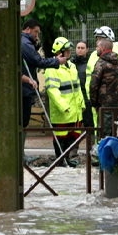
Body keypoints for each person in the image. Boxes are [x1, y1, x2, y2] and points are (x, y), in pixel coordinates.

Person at [21, 19, 66, 155]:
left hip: (26, 87)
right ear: (28, 29)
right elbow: (37, 60)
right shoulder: (24, 42)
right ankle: (19, 154)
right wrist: (56, 61)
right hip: (23, 89)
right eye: (36, 32)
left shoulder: (27, 42)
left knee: (24, 121)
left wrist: (36, 44)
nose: (37, 35)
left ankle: (20, 153)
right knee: (23, 121)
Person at [43, 37, 85, 167]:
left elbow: (77, 87)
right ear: (60, 51)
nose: (69, 52)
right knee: (61, 136)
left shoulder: (71, 66)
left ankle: (66, 158)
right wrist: (63, 106)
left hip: (75, 110)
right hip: (63, 111)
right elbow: (52, 90)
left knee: (73, 135)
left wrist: (81, 103)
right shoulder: (52, 68)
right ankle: (60, 160)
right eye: (67, 50)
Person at [85, 26, 118, 120]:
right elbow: (89, 79)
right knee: (99, 129)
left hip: (114, 101)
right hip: (99, 102)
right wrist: (92, 98)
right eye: (97, 39)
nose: (98, 41)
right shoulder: (94, 55)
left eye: (100, 39)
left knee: (112, 130)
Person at [90, 38, 118, 138]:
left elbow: (93, 85)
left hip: (105, 105)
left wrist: (94, 103)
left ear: (102, 48)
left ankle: (103, 153)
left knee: (104, 134)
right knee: (117, 132)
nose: (96, 48)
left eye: (97, 46)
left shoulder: (101, 64)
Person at [70, 40, 94, 128]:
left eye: (82, 48)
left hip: (86, 98)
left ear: (87, 49)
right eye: (78, 48)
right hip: (73, 99)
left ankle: (91, 141)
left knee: (89, 124)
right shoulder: (70, 63)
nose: (80, 50)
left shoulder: (90, 64)